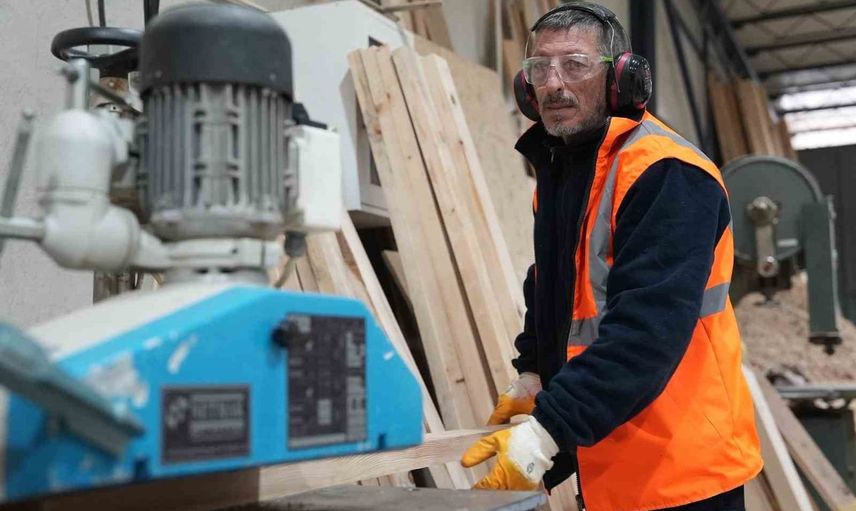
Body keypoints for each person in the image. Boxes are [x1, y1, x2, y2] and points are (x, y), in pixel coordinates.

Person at [460, 3, 763, 510]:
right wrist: (534, 370)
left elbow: (648, 330)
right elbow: (553, 288)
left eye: (575, 65)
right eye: (539, 68)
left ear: (621, 78)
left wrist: (548, 431)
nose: (554, 84)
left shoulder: (667, 173)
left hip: (682, 468)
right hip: (609, 457)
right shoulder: (563, 175)